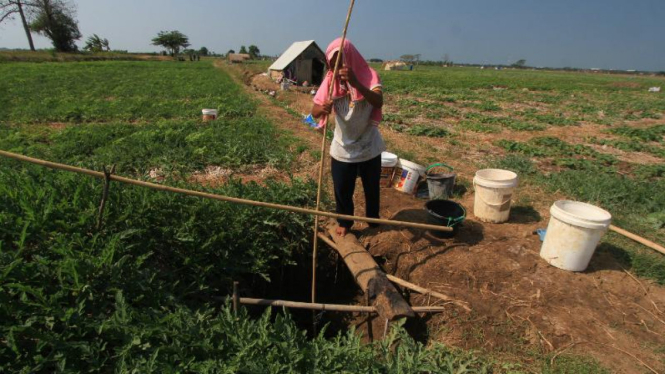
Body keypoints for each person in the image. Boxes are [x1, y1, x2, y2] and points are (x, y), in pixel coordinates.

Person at [311, 38, 385, 237]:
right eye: (333, 63)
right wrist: (322, 108)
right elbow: (314, 111)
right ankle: (345, 221)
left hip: (369, 145)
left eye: (341, 61)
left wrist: (356, 84)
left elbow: (378, 101)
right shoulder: (330, 80)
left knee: (371, 187)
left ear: (351, 58)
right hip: (343, 147)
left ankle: (372, 220)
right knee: (342, 189)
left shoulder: (369, 75)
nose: (338, 67)